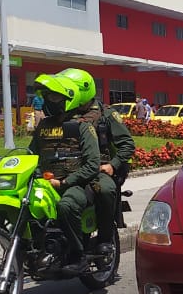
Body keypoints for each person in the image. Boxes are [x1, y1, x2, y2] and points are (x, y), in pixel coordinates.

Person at [53, 68, 136, 259]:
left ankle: (105, 239)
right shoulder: (66, 114)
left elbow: (127, 144)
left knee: (105, 190)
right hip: (70, 167)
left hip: (100, 168)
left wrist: (112, 165)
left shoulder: (106, 114)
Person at [29, 74, 101, 269]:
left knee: (66, 206)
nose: (48, 102)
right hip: (45, 184)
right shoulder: (43, 126)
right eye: (46, 97)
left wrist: (65, 182)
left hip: (76, 184)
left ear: (67, 100)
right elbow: (30, 154)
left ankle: (79, 256)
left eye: (53, 97)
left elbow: (93, 163)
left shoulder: (81, 126)